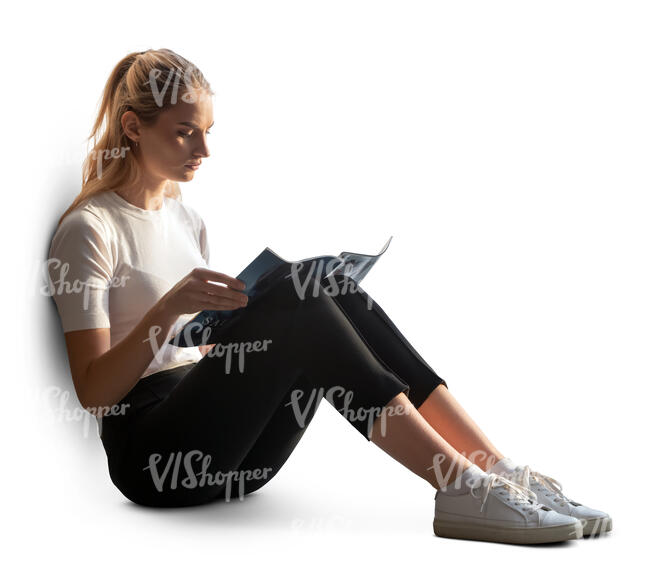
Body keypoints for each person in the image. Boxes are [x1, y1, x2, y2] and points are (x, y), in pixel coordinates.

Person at [47, 48, 611, 545]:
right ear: (132, 126)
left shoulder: (186, 218)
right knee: (302, 297)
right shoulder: (90, 229)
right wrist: (168, 308)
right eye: (184, 131)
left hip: (237, 456)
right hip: (153, 460)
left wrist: (231, 344)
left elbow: (192, 357)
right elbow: (95, 394)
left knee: (329, 285)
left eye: (208, 132)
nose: (203, 149)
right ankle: (460, 486)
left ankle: (495, 470)